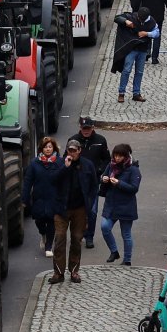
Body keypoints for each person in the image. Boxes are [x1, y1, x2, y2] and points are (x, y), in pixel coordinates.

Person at [51, 141, 98, 284]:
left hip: (80, 208)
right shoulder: (60, 163)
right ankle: (58, 273)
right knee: (59, 239)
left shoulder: (87, 165)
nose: (71, 153)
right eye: (69, 150)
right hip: (61, 208)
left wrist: (88, 203)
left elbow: (94, 186)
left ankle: (74, 271)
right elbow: (53, 180)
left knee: (77, 239)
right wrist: (65, 167)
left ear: (79, 150)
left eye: (73, 150)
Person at [70, 117, 111, 249]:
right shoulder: (73, 140)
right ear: (80, 128)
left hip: (93, 181)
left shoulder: (100, 140)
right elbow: (67, 158)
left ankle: (89, 236)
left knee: (92, 211)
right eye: (83, 128)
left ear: (93, 128)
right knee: (76, 210)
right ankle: (78, 233)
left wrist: (100, 171)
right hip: (76, 181)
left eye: (88, 128)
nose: (86, 131)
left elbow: (107, 159)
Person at [98, 145, 142, 266]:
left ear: (126, 156)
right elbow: (102, 177)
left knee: (126, 234)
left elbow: (134, 188)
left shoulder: (133, 170)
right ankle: (114, 251)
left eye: (120, 156)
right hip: (111, 204)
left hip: (126, 206)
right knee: (105, 227)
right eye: (115, 155)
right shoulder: (110, 165)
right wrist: (103, 179)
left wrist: (119, 183)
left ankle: (127, 259)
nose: (117, 158)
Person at [22, 136, 64, 255]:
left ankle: (49, 247)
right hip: (39, 196)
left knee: (51, 221)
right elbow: (28, 181)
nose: (48, 149)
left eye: (50, 147)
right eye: (45, 147)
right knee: (39, 220)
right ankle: (43, 234)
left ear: (54, 148)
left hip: (53, 197)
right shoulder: (35, 163)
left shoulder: (59, 162)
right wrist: (24, 198)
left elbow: (64, 180)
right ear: (41, 149)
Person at [112, 8, 156, 104]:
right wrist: (126, 21)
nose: (140, 21)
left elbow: (156, 33)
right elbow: (117, 18)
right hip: (131, 49)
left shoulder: (151, 21)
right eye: (139, 19)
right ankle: (121, 93)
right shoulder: (131, 17)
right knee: (127, 70)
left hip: (143, 50)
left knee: (139, 72)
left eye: (142, 20)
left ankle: (136, 93)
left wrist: (147, 33)